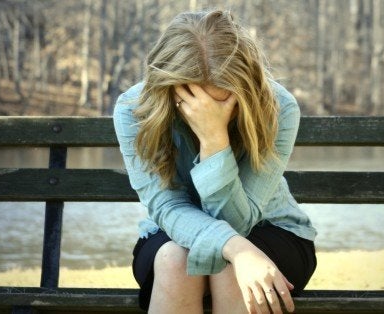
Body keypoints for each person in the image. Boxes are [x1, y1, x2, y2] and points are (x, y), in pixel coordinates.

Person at [113, 9, 317, 314]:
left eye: (224, 103)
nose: (208, 111)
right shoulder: (133, 109)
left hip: (270, 229)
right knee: (175, 260)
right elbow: (167, 207)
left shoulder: (278, 106)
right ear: (168, 90)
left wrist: (214, 140)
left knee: (228, 268)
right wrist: (237, 248)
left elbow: (240, 221)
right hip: (173, 233)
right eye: (194, 105)